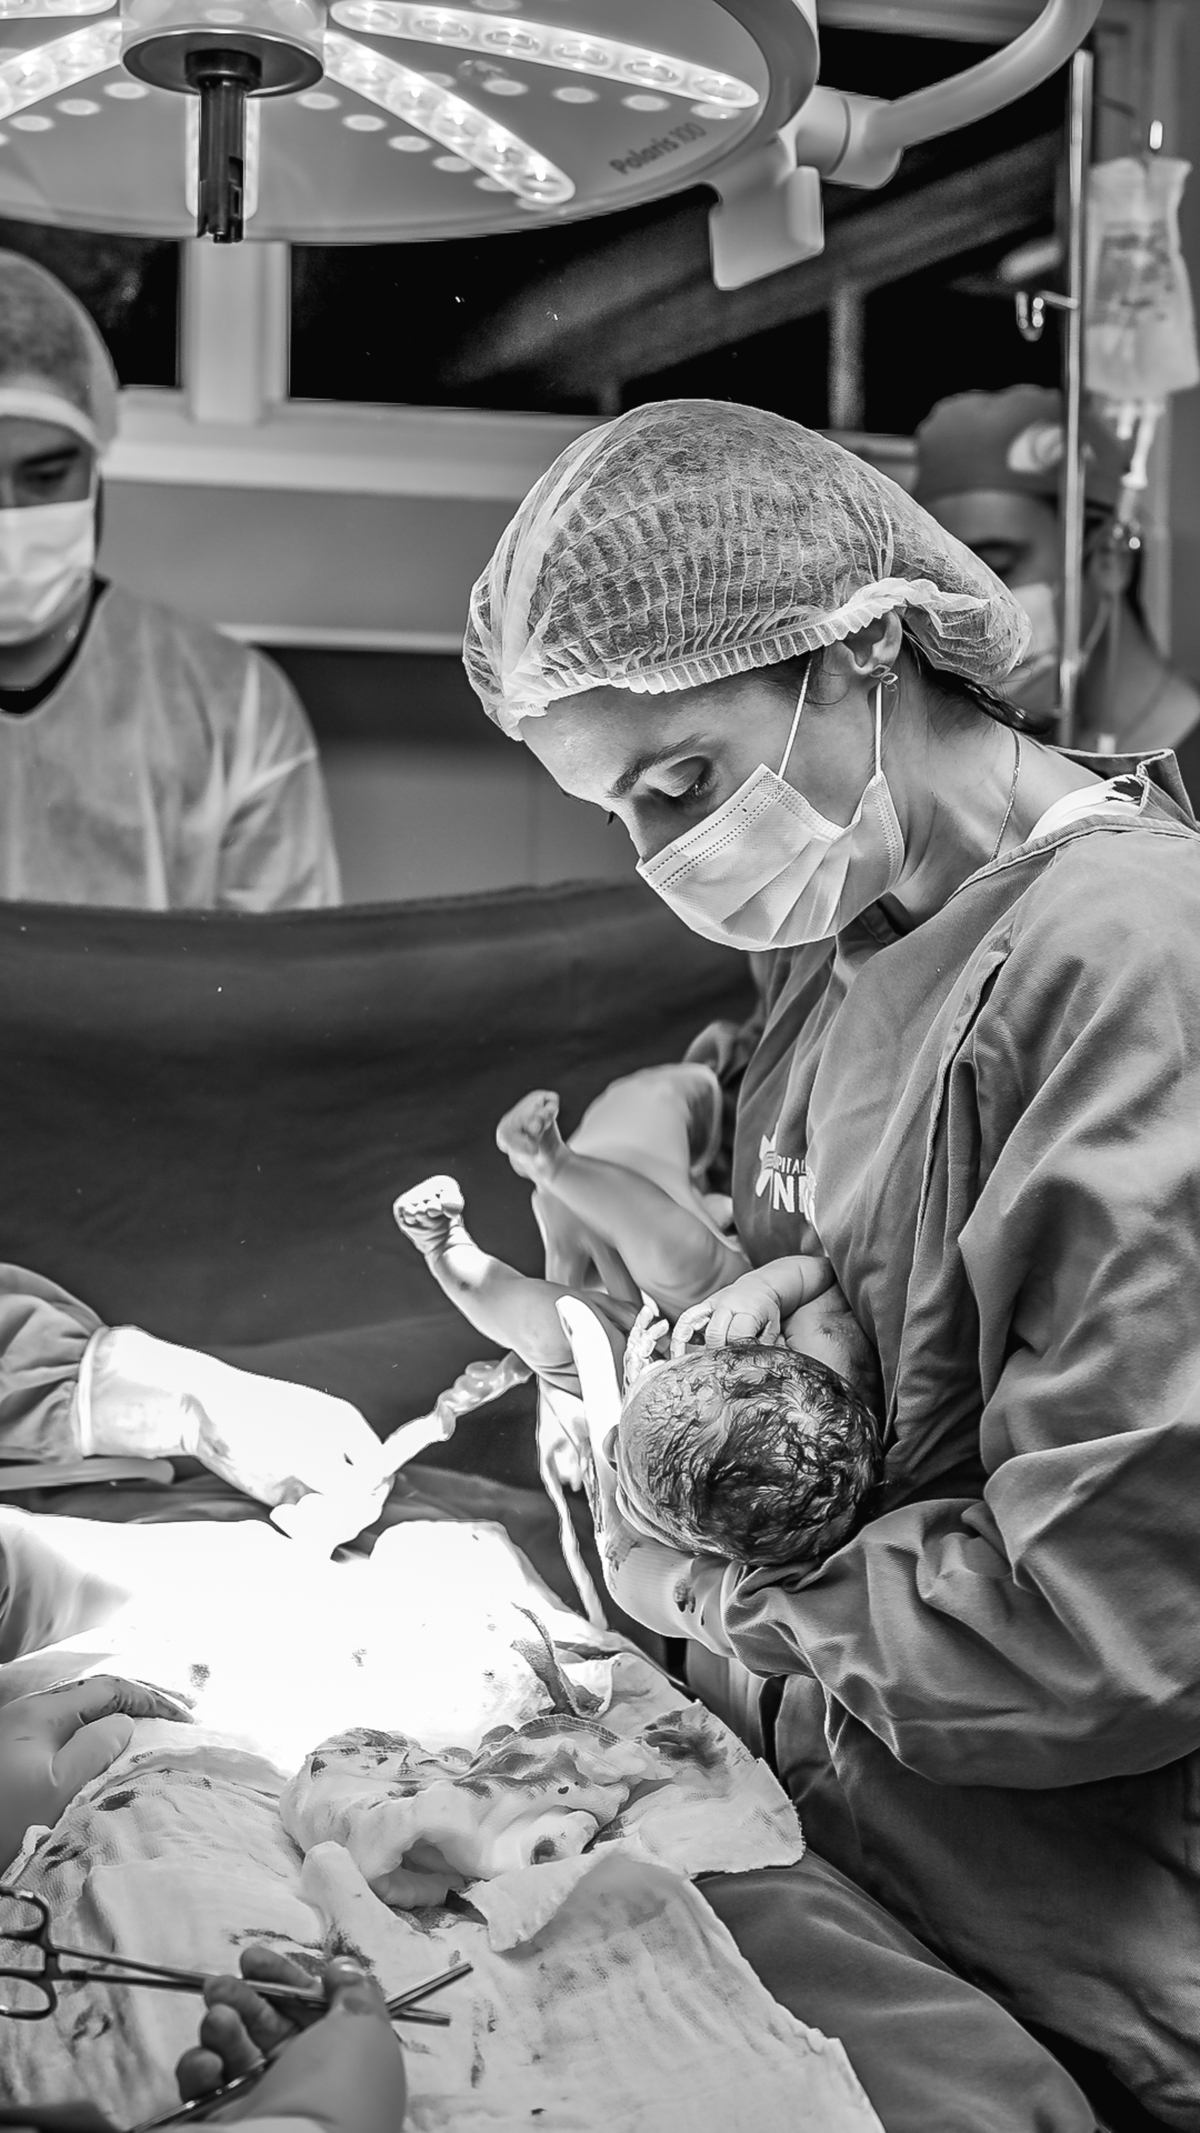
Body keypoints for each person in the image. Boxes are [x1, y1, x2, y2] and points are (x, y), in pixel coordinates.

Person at [462, 395, 1200, 2124]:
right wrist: (639, 1151)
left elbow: (1106, 1621)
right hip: (874, 1874)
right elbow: (794, 1150)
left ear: (863, 641)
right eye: (617, 814)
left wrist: (707, 1587)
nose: (663, 859)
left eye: (680, 783)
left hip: (1082, 1961)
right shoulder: (859, 920)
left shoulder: (1130, 966)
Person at [0, 250, 340, 909]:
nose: (10, 517)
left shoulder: (230, 705)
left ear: (96, 463)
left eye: (44, 477)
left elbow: (283, 963)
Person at [395, 1153, 880, 1574]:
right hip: (727, 1315)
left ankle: (445, 1247)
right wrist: (760, 1293)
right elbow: (820, 1278)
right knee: (677, 1253)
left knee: (542, 1330)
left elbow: (629, 1496)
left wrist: (625, 1413)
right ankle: (556, 1163)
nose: (610, 1448)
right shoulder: (824, 1359)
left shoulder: (690, 1515)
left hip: (630, 1391)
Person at [914, 383, 1200, 790]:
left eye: (997, 568)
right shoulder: (1002, 772)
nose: (962, 613)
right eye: (941, 584)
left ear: (1109, 559)